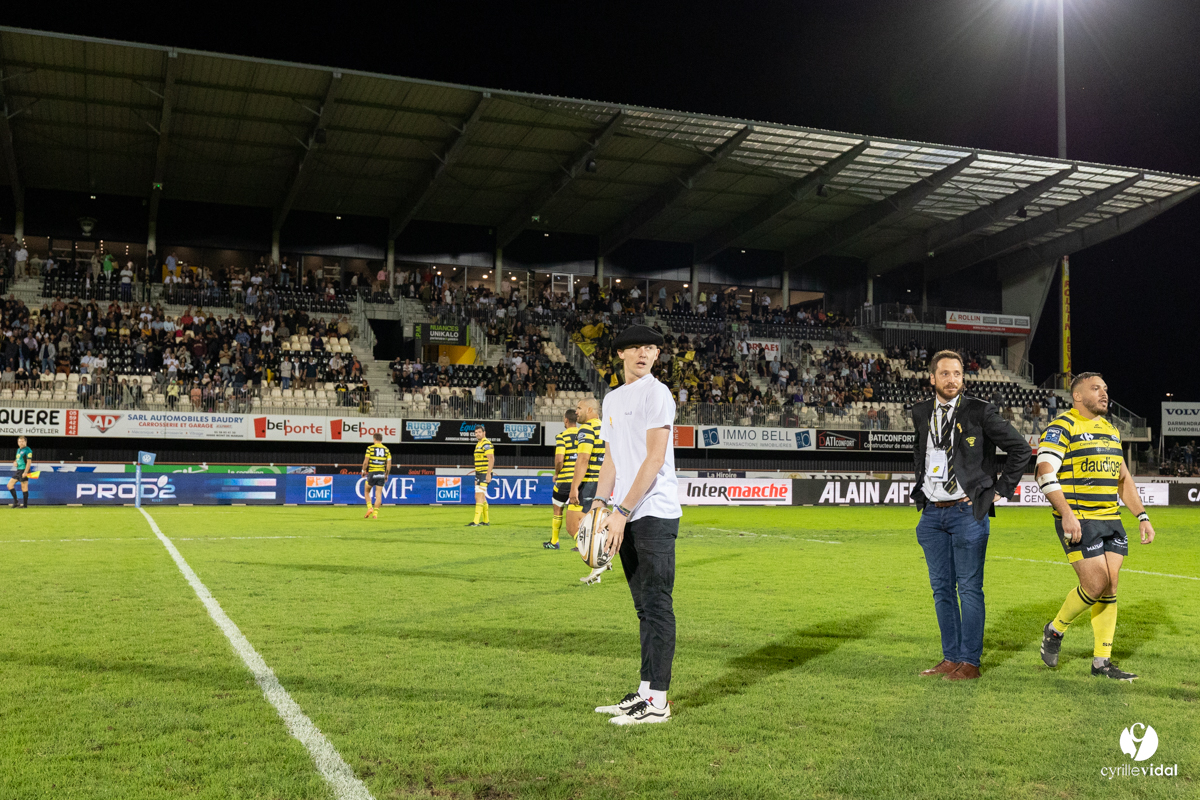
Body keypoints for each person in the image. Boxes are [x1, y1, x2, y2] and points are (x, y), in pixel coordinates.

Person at [910, 350, 1030, 681]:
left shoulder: (979, 410)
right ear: (932, 378)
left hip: (967, 512)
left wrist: (1000, 490)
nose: (952, 379)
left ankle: (970, 662)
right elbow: (921, 453)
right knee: (942, 589)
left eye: (958, 374)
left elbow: (1021, 449)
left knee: (970, 589)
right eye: (945, 374)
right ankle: (950, 659)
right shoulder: (921, 413)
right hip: (932, 515)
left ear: (963, 378)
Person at [1037, 372, 1156, 681]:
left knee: (1111, 586)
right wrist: (1065, 513)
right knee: (1095, 584)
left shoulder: (1111, 430)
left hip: (1110, 519)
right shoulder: (1063, 426)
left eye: (1105, 388)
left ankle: (1101, 663)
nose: (1104, 393)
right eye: (1096, 388)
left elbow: (1123, 479)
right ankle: (1056, 629)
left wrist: (1141, 516)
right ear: (1078, 396)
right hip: (1080, 519)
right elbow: (1044, 472)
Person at [591, 324, 681, 725]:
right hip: (622, 514)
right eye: (635, 347)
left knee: (658, 606)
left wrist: (621, 513)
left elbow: (654, 459)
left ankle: (658, 704)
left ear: (657, 356)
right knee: (644, 608)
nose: (644, 353)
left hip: (654, 513)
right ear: (621, 354)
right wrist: (599, 505)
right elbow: (611, 459)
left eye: (651, 348)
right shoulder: (612, 399)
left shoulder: (657, 393)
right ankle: (645, 694)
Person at [566, 397, 604, 541]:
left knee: (573, 525)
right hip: (602, 483)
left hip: (588, 483)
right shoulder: (605, 427)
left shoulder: (587, 428)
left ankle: (600, 557)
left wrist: (574, 487)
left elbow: (583, 459)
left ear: (589, 410)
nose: (576, 412)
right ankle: (599, 557)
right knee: (592, 525)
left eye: (579, 408)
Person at [545, 410, 579, 550]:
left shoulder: (562, 437)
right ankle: (580, 543)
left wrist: (556, 473)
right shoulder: (583, 435)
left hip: (565, 479)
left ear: (565, 420)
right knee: (577, 513)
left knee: (557, 509)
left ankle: (554, 541)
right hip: (579, 481)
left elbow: (559, 460)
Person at [466, 425, 494, 527]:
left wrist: (488, 474)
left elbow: (491, 458)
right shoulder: (479, 444)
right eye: (476, 432)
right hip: (479, 474)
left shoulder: (486, 443)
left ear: (484, 433)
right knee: (479, 496)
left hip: (484, 473)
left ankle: (476, 521)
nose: (477, 434)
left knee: (479, 496)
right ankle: (486, 521)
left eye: (479, 432)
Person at [360, 433, 392, 520]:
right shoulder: (386, 450)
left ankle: (370, 507)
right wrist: (386, 474)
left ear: (374, 439)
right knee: (378, 495)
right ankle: (375, 514)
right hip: (381, 473)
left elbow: (366, 462)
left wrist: (363, 470)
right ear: (381, 440)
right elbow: (389, 464)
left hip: (372, 473)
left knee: (367, 491)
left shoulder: (370, 448)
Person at [8, 436, 33, 508]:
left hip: (24, 470)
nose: (21, 443)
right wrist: (14, 462)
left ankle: (25, 505)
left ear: (26, 442)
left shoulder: (28, 450)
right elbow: (17, 459)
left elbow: (29, 462)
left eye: (22, 441)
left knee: (24, 487)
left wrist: (26, 472)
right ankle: (16, 502)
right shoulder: (18, 450)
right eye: (19, 441)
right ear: (17, 442)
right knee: (9, 485)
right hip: (18, 470)